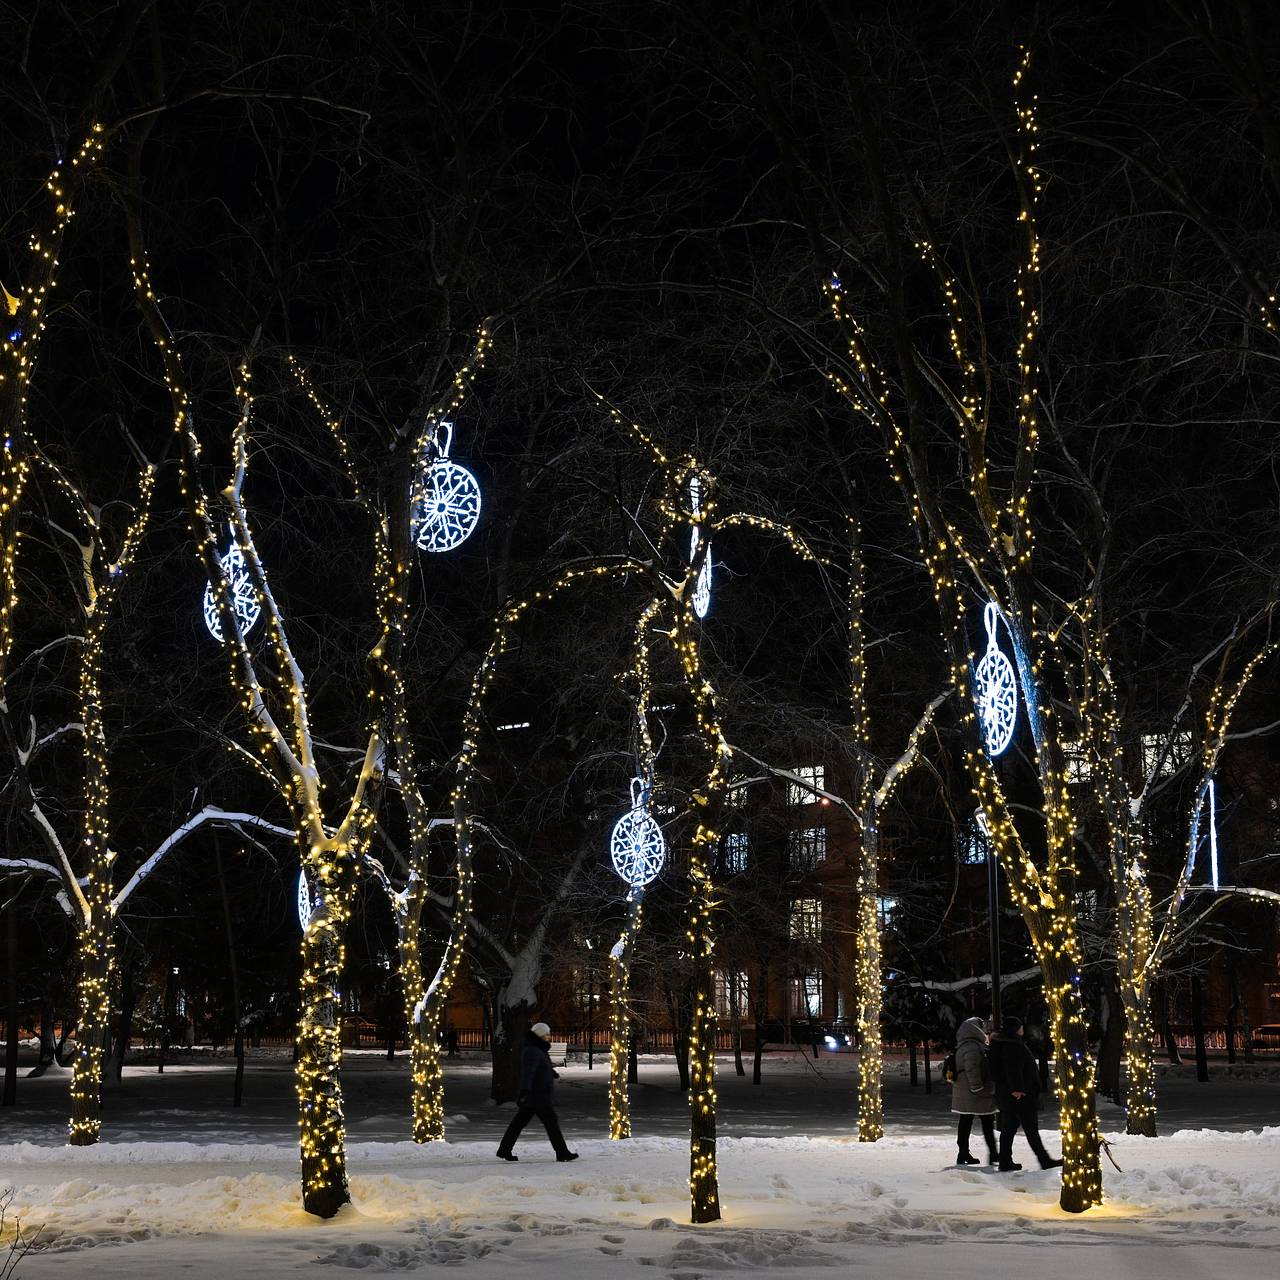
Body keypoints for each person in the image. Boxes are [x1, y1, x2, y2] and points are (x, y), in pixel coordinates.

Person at [987, 1014, 1063, 1172]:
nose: (1022, 1029)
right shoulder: (1012, 1044)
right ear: (1014, 1029)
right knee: (1030, 1129)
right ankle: (1044, 1160)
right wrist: (1017, 1089)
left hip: (1009, 1094)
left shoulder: (1004, 1043)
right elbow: (1013, 1069)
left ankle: (1005, 1161)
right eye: (1020, 1026)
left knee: (1009, 1128)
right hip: (1020, 1096)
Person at [495, 1021, 578, 1163]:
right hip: (537, 1095)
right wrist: (525, 1090)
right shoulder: (533, 1050)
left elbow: (539, 1068)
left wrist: (550, 1073)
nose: (549, 1037)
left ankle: (504, 1150)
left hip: (536, 1095)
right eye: (546, 1034)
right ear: (539, 1035)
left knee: (519, 1123)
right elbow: (528, 1072)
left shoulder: (538, 1049)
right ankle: (562, 1153)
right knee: (550, 1123)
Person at [950, 1016, 998, 1165]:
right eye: (982, 1027)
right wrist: (977, 1087)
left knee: (966, 1121)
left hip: (965, 1091)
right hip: (975, 1092)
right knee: (987, 1121)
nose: (985, 1029)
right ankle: (992, 1153)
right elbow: (972, 1068)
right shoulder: (972, 1046)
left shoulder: (964, 1045)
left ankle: (964, 1153)